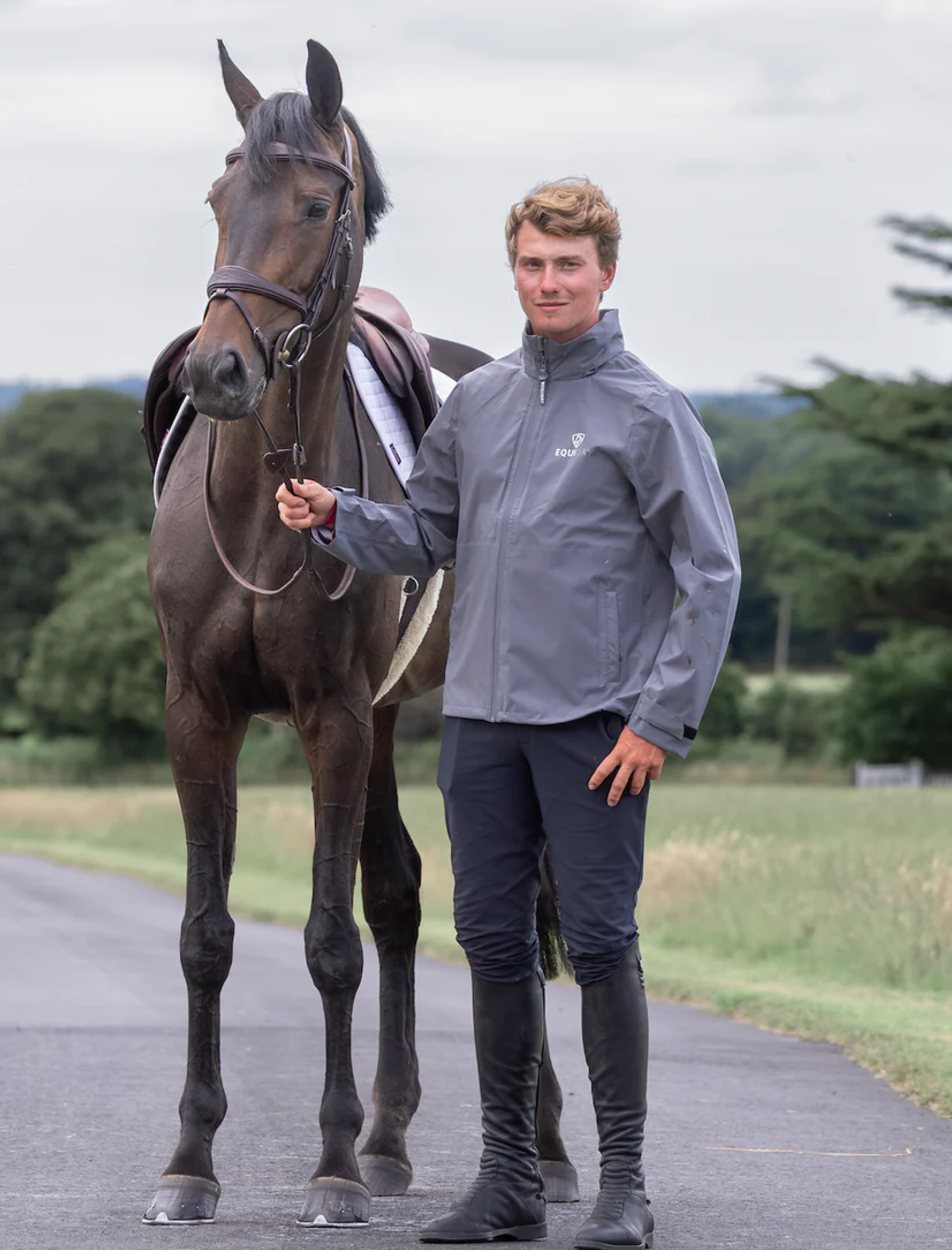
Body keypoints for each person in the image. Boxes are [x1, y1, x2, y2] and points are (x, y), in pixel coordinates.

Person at [276, 178, 741, 1249]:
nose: (547, 282)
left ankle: (622, 1183)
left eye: (567, 264)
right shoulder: (476, 404)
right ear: (515, 269)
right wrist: (338, 513)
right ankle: (507, 1180)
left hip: (596, 731)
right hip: (480, 725)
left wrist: (658, 721)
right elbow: (425, 533)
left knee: (600, 940)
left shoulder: (648, 410)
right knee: (491, 941)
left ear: (604, 273)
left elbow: (708, 578)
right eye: (532, 263)